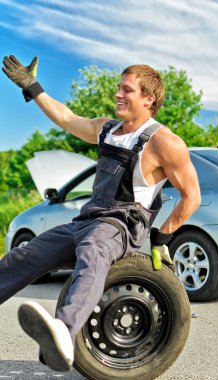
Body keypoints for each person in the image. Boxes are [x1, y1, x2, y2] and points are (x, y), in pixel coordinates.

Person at [1, 55, 201, 372]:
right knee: (26, 255)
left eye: (127, 90)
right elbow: (66, 118)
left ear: (149, 98)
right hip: (88, 219)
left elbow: (192, 196)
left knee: (93, 253)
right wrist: (32, 86)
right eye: (118, 88)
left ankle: (64, 335)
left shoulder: (164, 142)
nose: (118, 94)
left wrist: (162, 236)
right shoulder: (107, 129)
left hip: (121, 226)